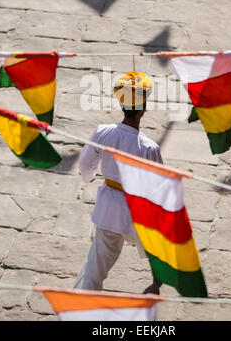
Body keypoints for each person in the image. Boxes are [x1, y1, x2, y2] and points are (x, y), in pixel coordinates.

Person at [73, 71, 163, 294]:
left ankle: (85, 298)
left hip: (109, 209)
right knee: (155, 245)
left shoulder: (103, 132)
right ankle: (159, 277)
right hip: (136, 210)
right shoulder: (149, 147)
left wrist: (89, 176)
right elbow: (159, 184)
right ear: (142, 109)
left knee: (98, 260)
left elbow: (85, 163)